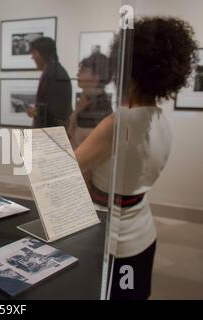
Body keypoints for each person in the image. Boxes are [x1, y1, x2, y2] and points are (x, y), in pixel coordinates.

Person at [74, 17, 198, 299]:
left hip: (111, 241)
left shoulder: (121, 122)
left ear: (127, 69)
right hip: (143, 233)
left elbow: (67, 166)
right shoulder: (160, 119)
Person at [68, 52, 113, 149]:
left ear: (96, 77)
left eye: (83, 71)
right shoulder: (86, 101)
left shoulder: (99, 105)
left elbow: (99, 145)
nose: (77, 74)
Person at [26, 37, 72, 128]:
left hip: (50, 134)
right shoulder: (53, 71)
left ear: (43, 53)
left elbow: (58, 111)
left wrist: (36, 111)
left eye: (34, 53)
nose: (32, 57)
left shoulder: (54, 74)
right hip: (48, 132)